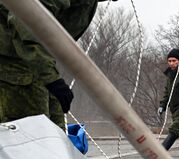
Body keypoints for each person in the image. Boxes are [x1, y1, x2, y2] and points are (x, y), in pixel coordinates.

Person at [0, 0, 116, 129]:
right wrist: (51, 79)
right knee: (33, 131)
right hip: (13, 59)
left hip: (33, 58)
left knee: (55, 129)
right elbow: (25, 21)